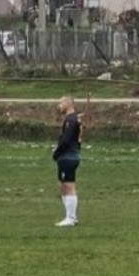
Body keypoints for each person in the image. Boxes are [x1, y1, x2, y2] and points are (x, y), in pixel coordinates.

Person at [52, 96, 82, 227]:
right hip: (68, 156)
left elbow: (67, 139)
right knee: (62, 186)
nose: (59, 105)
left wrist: (57, 152)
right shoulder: (74, 119)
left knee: (68, 187)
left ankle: (71, 218)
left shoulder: (71, 120)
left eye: (61, 102)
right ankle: (70, 216)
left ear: (68, 104)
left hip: (68, 156)